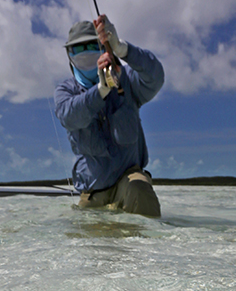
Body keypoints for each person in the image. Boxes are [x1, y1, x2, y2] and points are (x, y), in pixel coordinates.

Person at [54, 14, 164, 218]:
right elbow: (69, 116)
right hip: (93, 193)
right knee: (88, 245)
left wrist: (123, 49)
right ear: (69, 54)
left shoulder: (127, 79)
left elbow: (156, 78)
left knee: (139, 187)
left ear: (103, 46)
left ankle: (150, 248)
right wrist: (101, 89)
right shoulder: (65, 91)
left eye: (92, 45)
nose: (85, 52)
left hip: (128, 183)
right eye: (78, 48)